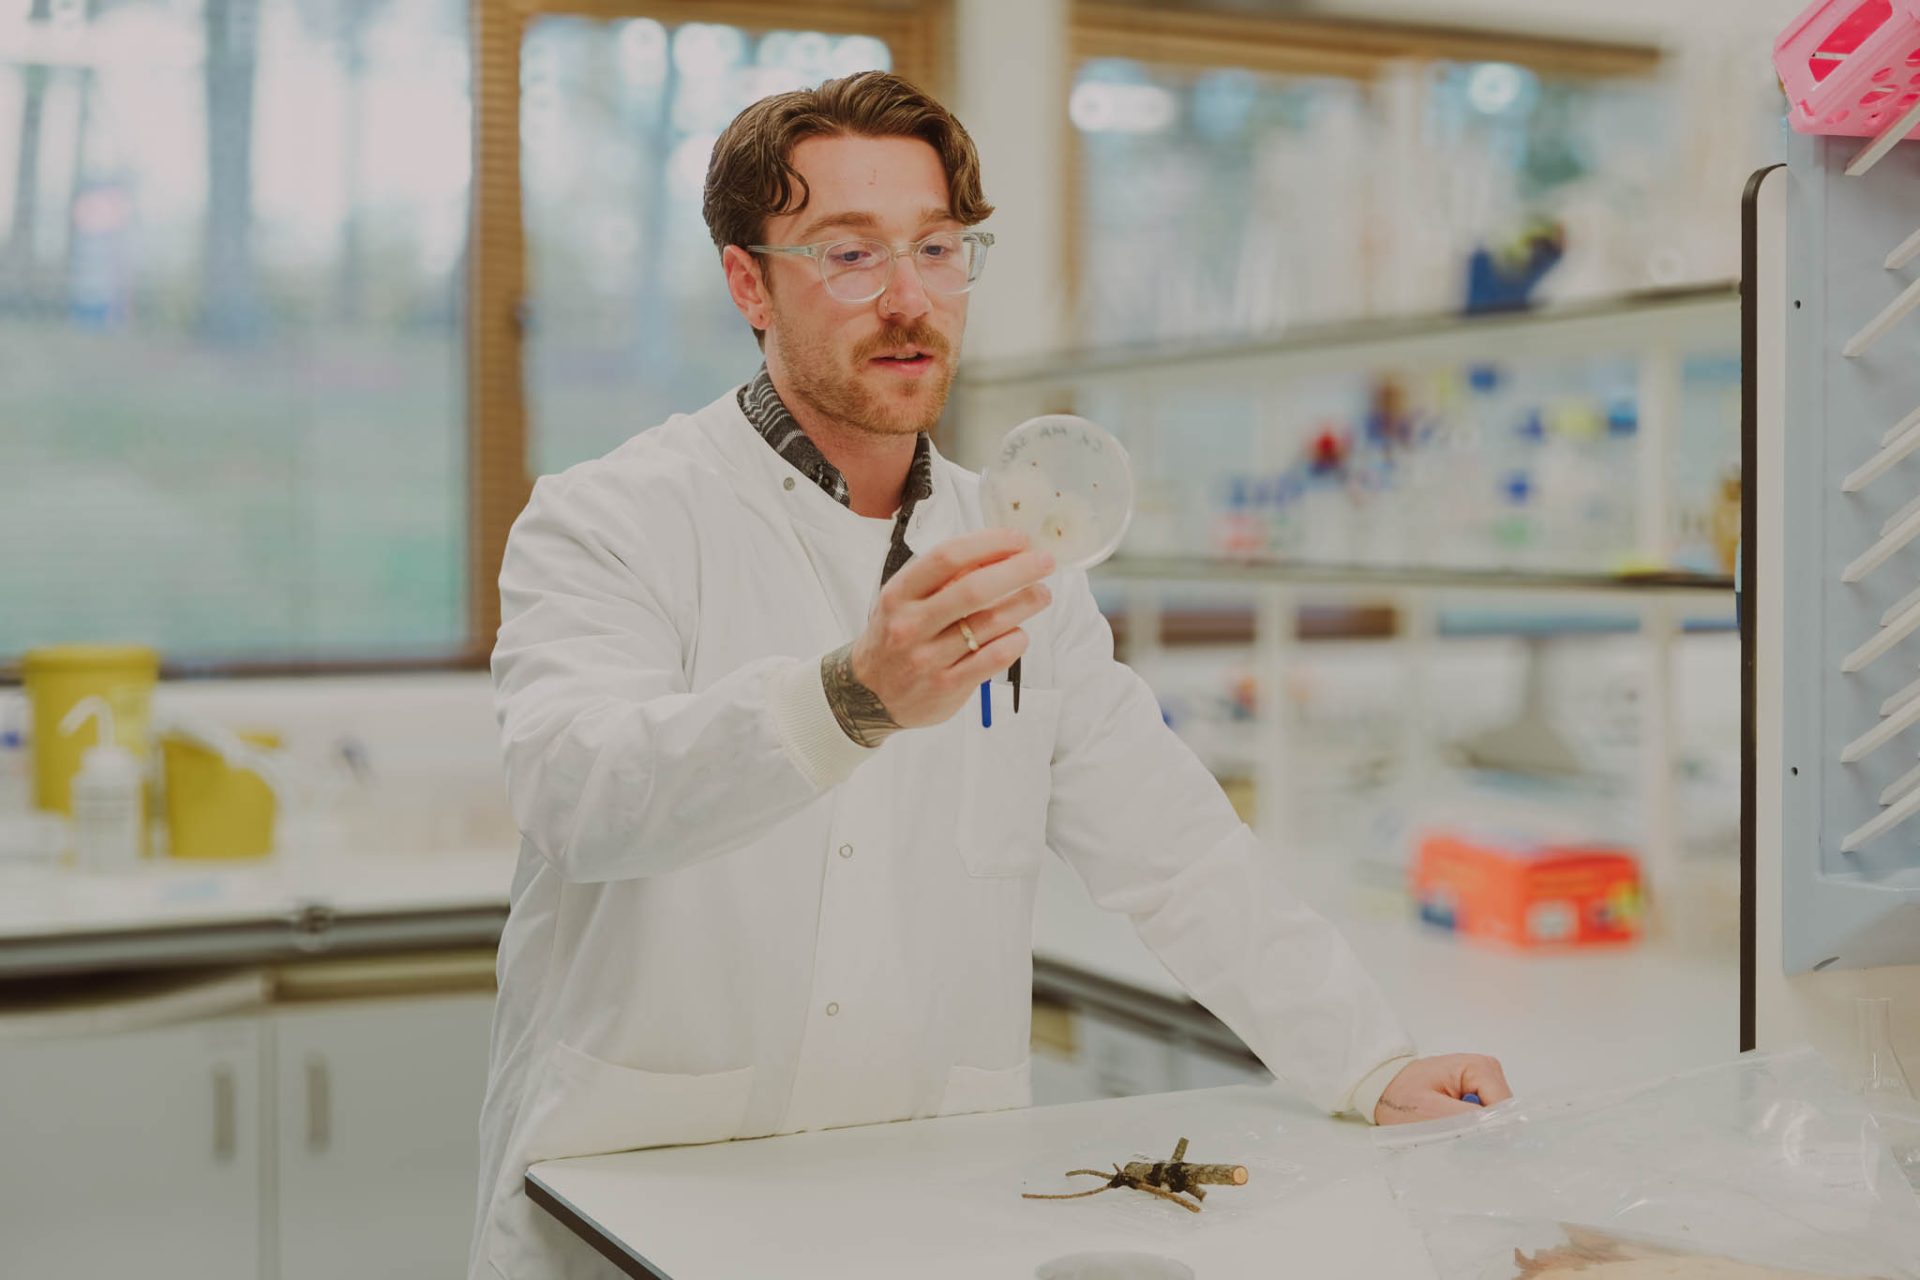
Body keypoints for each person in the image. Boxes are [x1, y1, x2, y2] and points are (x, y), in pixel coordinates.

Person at [471, 70, 1510, 1280]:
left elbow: (1173, 846)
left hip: (922, 1207)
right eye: (850, 254)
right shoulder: (610, 518)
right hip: (643, 1201)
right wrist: (849, 698)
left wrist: (1369, 1059)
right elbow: (576, 793)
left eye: (939, 249)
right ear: (748, 279)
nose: (910, 298)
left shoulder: (1020, 552)